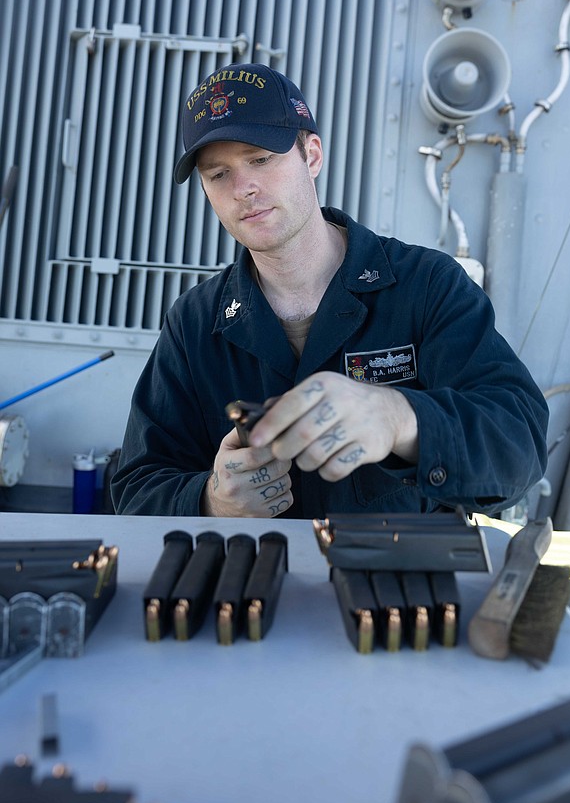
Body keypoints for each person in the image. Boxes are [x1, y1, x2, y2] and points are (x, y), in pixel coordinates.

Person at [111, 62, 548, 519]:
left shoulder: (426, 285)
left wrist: (400, 418)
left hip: (398, 565)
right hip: (253, 566)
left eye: (260, 159)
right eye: (218, 174)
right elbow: (137, 490)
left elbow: (519, 445)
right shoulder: (194, 322)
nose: (243, 189)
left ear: (312, 155)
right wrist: (211, 500)